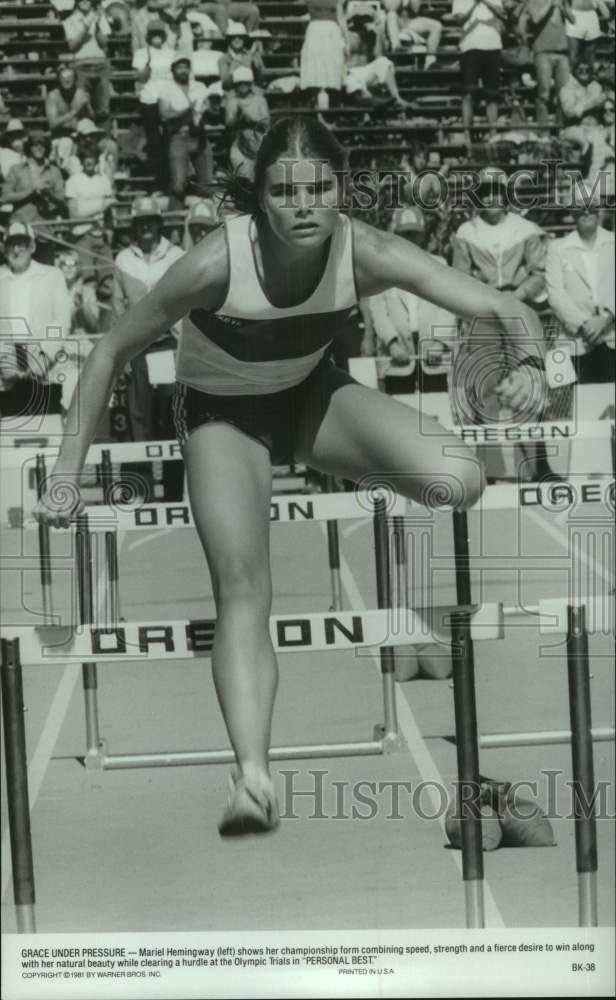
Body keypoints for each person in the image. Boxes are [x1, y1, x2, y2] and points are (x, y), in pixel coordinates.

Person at [35, 116, 546, 836]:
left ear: (342, 191)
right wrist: (65, 472)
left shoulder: (365, 250)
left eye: (320, 188)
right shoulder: (215, 262)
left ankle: (389, 573)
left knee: (460, 477)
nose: (304, 205)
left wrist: (528, 368)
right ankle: (252, 777)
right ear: (259, 198)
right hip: (221, 416)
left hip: (308, 400)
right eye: (284, 191)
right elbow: (109, 351)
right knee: (245, 584)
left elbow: (503, 305)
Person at [0, 221, 71, 417]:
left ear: (32, 246)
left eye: (21, 243)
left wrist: (45, 354)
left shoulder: (52, 275)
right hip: (7, 369)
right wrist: (3, 359)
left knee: (48, 429)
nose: (16, 250)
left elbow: (61, 321)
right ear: (4, 248)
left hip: (46, 366)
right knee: (13, 434)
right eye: (11, 244)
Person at [545, 184, 614, 383]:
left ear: (599, 206)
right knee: (585, 403)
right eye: (579, 205)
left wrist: (606, 318)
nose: (586, 210)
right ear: (572, 211)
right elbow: (556, 295)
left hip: (612, 335)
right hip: (578, 342)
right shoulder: (557, 248)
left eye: (591, 204)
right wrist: (586, 325)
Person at [158, 55, 213, 209]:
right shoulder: (166, 89)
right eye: (179, 67)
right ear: (173, 70)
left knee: (207, 184)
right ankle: (173, 225)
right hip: (179, 138)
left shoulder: (200, 86)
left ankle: (203, 220)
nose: (183, 71)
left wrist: (208, 108)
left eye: (185, 67)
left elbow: (208, 107)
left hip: (200, 136)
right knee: (178, 185)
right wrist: (187, 110)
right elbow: (164, 114)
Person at [452, 0, 505, 144]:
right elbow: (459, 20)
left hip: (492, 46)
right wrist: (474, 4)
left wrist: (486, 2)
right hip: (470, 47)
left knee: (492, 95)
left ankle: (493, 133)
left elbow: (502, 14)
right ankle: (467, 133)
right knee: (469, 93)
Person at [1, 131, 66, 236]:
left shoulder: (54, 171)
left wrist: (48, 193)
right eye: (35, 145)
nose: (39, 148)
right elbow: (5, 197)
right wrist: (31, 190)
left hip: (46, 225)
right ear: (29, 147)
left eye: (43, 145)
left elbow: (61, 199)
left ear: (47, 148)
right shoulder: (16, 169)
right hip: (20, 224)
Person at [517, 0, 571, 128]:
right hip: (543, 52)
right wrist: (551, 4)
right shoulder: (532, 2)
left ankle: (561, 130)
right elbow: (536, 19)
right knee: (543, 95)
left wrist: (563, 7)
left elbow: (573, 19)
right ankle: (543, 131)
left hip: (562, 52)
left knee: (563, 96)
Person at [63, 0, 112, 124]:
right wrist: (86, 25)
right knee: (83, 108)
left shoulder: (100, 17)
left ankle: (104, 141)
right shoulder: (70, 21)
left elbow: (104, 43)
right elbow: (73, 46)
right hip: (81, 67)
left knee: (103, 109)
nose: (84, 1)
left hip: (100, 65)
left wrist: (97, 25)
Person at [300, 0, 349, 111]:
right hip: (315, 33)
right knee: (316, 69)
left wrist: (346, 38)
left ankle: (328, 108)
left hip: (331, 33)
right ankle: (319, 107)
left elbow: (340, 18)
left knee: (332, 67)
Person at [384, 0, 442, 67]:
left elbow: (415, 9)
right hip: (396, 20)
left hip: (411, 21)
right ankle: (397, 48)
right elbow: (390, 7)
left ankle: (430, 61)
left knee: (437, 25)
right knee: (391, 14)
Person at [563, 0, 610, 69]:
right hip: (575, 16)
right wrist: (568, 11)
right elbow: (565, 3)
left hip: (591, 18)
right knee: (572, 55)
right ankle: (570, 78)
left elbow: (605, 12)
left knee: (590, 55)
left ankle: (589, 78)